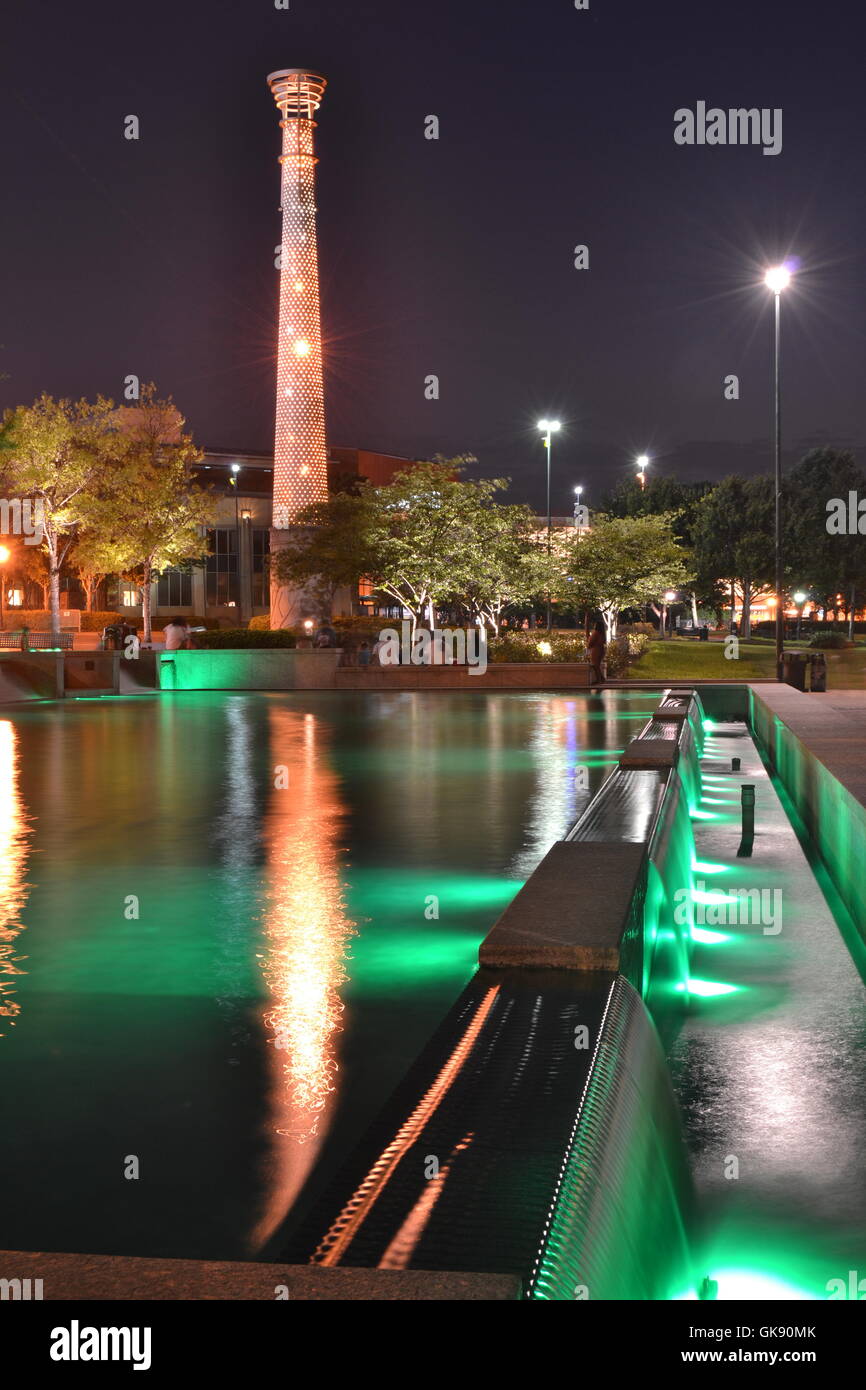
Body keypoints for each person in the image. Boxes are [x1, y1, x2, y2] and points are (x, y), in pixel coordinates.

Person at [587, 620, 606, 685]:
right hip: (601, 650)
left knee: (596, 666)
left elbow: (591, 642)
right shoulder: (602, 634)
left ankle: (599, 680)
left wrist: (589, 646)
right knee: (597, 665)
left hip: (596, 650)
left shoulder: (595, 633)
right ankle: (601, 678)